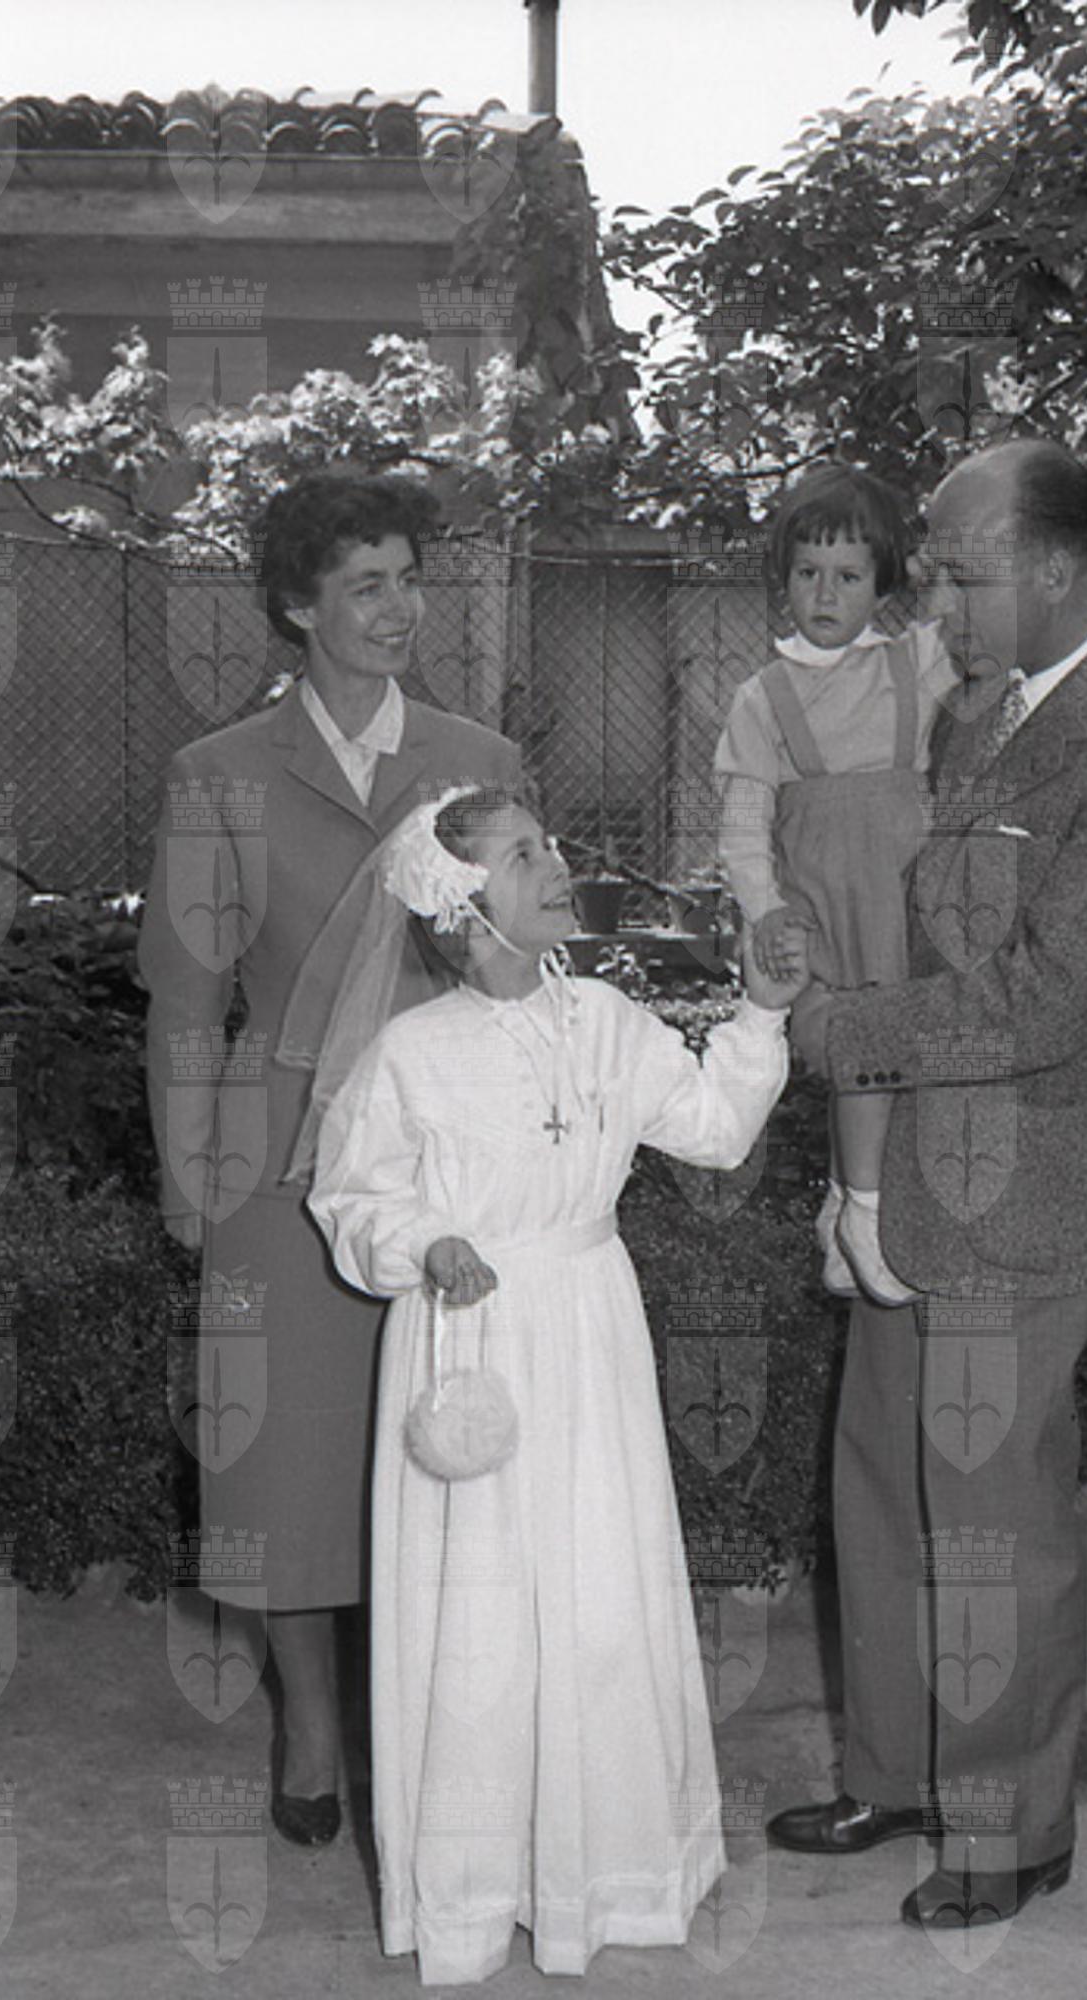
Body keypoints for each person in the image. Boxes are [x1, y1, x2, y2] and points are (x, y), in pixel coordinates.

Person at [767, 438, 1087, 1929]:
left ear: (1057, 569)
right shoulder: (976, 708)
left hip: (1025, 1191)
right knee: (883, 1483)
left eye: (959, 575)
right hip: (915, 1170)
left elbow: (1048, 999)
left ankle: (1010, 1827)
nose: (931, 603)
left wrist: (843, 1033)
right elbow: (930, 933)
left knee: (992, 1520)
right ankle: (897, 1771)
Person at [306, 785, 803, 1985]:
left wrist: (760, 1011)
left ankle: (609, 1869)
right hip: (469, 1343)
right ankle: (475, 1889)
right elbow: (352, 1197)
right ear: (463, 910)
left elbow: (714, 1126)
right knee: (476, 1608)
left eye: (549, 843)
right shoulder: (409, 1054)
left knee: (596, 1582)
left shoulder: (609, 1019)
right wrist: (426, 1241)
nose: (556, 862)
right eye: (523, 853)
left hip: (588, 1327)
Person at [138, 472, 521, 1847]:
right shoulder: (219, 774)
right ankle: (309, 1723)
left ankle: (440, 1729)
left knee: (458, 1444)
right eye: (367, 584)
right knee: (287, 1466)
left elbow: (523, 963)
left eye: (411, 578)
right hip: (280, 1166)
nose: (400, 607)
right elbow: (186, 997)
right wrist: (191, 1177)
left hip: (451, 1157)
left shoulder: (479, 758)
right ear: (298, 607)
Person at [716, 462, 956, 1305]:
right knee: (862, 1052)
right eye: (807, 573)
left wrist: (922, 563)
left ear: (883, 584)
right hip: (826, 908)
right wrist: (765, 913)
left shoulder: (914, 664)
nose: (825, 594)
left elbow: (961, 609)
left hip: (904, 901)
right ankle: (865, 1212)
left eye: (850, 576)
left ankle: (840, 1204)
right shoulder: (762, 698)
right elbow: (744, 828)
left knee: (899, 1058)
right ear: (782, 581)